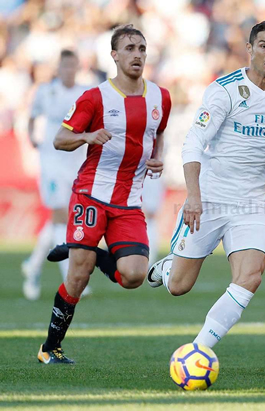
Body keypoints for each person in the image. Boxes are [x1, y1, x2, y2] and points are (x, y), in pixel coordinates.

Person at [147, 20, 265, 349]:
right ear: (249, 49)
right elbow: (193, 144)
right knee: (178, 286)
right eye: (263, 46)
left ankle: (198, 349)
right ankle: (169, 267)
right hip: (210, 198)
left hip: (251, 204)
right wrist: (193, 196)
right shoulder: (225, 89)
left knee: (250, 276)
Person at [37, 24, 171, 364]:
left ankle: (85, 249)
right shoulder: (94, 98)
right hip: (91, 194)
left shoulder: (161, 97)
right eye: (129, 48)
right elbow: (59, 139)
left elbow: (159, 132)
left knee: (134, 276)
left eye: (141, 48)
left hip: (128, 202)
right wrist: (87, 136)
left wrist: (158, 157)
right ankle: (49, 348)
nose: (137, 54)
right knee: (77, 277)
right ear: (114, 55)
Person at [22, 50, 90, 301]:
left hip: (75, 163)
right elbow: (31, 118)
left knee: (64, 219)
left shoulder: (86, 92)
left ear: (77, 67)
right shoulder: (45, 91)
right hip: (51, 162)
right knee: (61, 216)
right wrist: (33, 139)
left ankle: (33, 266)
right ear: (58, 67)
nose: (68, 70)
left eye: (72, 66)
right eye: (65, 66)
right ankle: (71, 277)